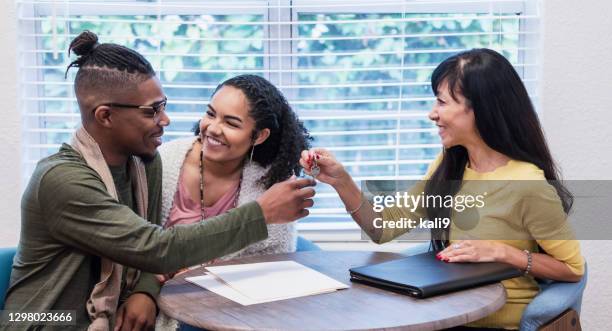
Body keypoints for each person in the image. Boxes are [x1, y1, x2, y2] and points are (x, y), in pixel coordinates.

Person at [2, 31, 315, 331]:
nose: (166, 120)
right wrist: (261, 213)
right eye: (152, 111)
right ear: (105, 116)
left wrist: (146, 291)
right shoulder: (62, 180)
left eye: (163, 107)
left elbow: (148, 250)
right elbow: (156, 248)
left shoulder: (143, 164)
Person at [300, 48, 584, 330]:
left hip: (494, 322)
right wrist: (341, 181)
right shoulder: (448, 166)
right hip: (443, 314)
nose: (432, 114)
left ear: (481, 109)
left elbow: (572, 269)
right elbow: (382, 228)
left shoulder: (527, 184)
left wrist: (504, 253)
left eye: (442, 102)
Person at [154, 74, 311, 329]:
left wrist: (199, 273)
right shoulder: (163, 162)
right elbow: (137, 242)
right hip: (173, 297)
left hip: (231, 302)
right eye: (210, 114)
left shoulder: (269, 181)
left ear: (259, 136)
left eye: (231, 123)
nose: (213, 128)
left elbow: (272, 261)